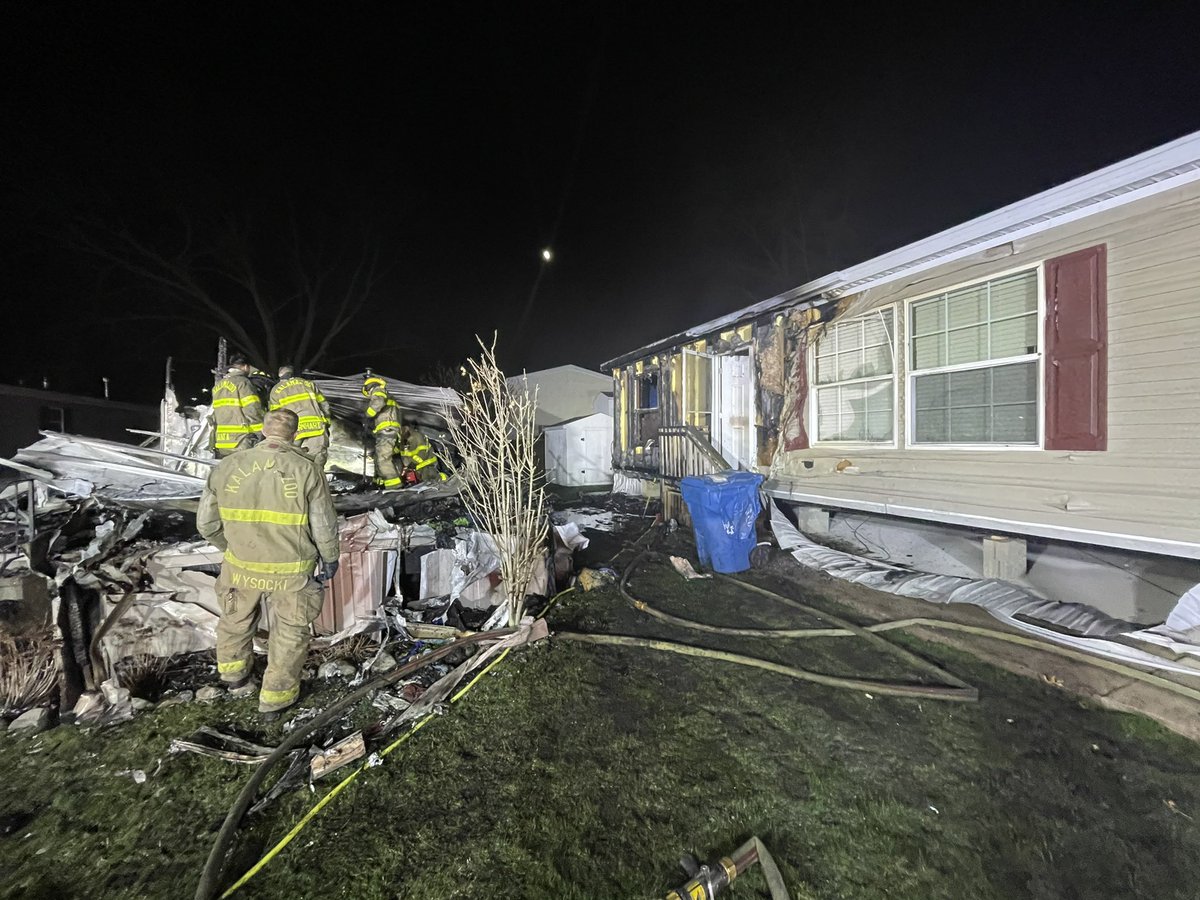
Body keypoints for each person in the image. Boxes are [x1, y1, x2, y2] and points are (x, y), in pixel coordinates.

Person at [196, 408, 341, 719]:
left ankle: (235, 678)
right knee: (290, 631)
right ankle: (275, 701)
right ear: (295, 434)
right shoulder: (307, 470)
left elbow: (206, 525)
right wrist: (329, 558)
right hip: (291, 573)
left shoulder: (227, 466)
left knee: (235, 621)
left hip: (241, 566)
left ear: (262, 429)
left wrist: (232, 549)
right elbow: (323, 525)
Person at [269, 365, 332, 470]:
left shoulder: (275, 391)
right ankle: (316, 483)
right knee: (317, 461)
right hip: (316, 427)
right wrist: (327, 421)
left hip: (293, 430)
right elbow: (324, 405)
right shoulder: (308, 384)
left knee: (293, 460)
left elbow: (276, 415)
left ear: (280, 376)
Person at [211, 354, 264, 457]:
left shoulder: (218, 385)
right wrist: (260, 432)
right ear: (245, 366)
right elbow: (252, 409)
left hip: (222, 441)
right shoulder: (243, 383)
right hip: (241, 440)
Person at [362, 375, 403, 489]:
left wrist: (368, 415)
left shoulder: (378, 390)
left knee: (383, 459)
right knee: (379, 457)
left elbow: (378, 403)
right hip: (389, 430)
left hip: (387, 430)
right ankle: (380, 484)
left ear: (369, 387)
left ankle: (395, 488)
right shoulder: (390, 397)